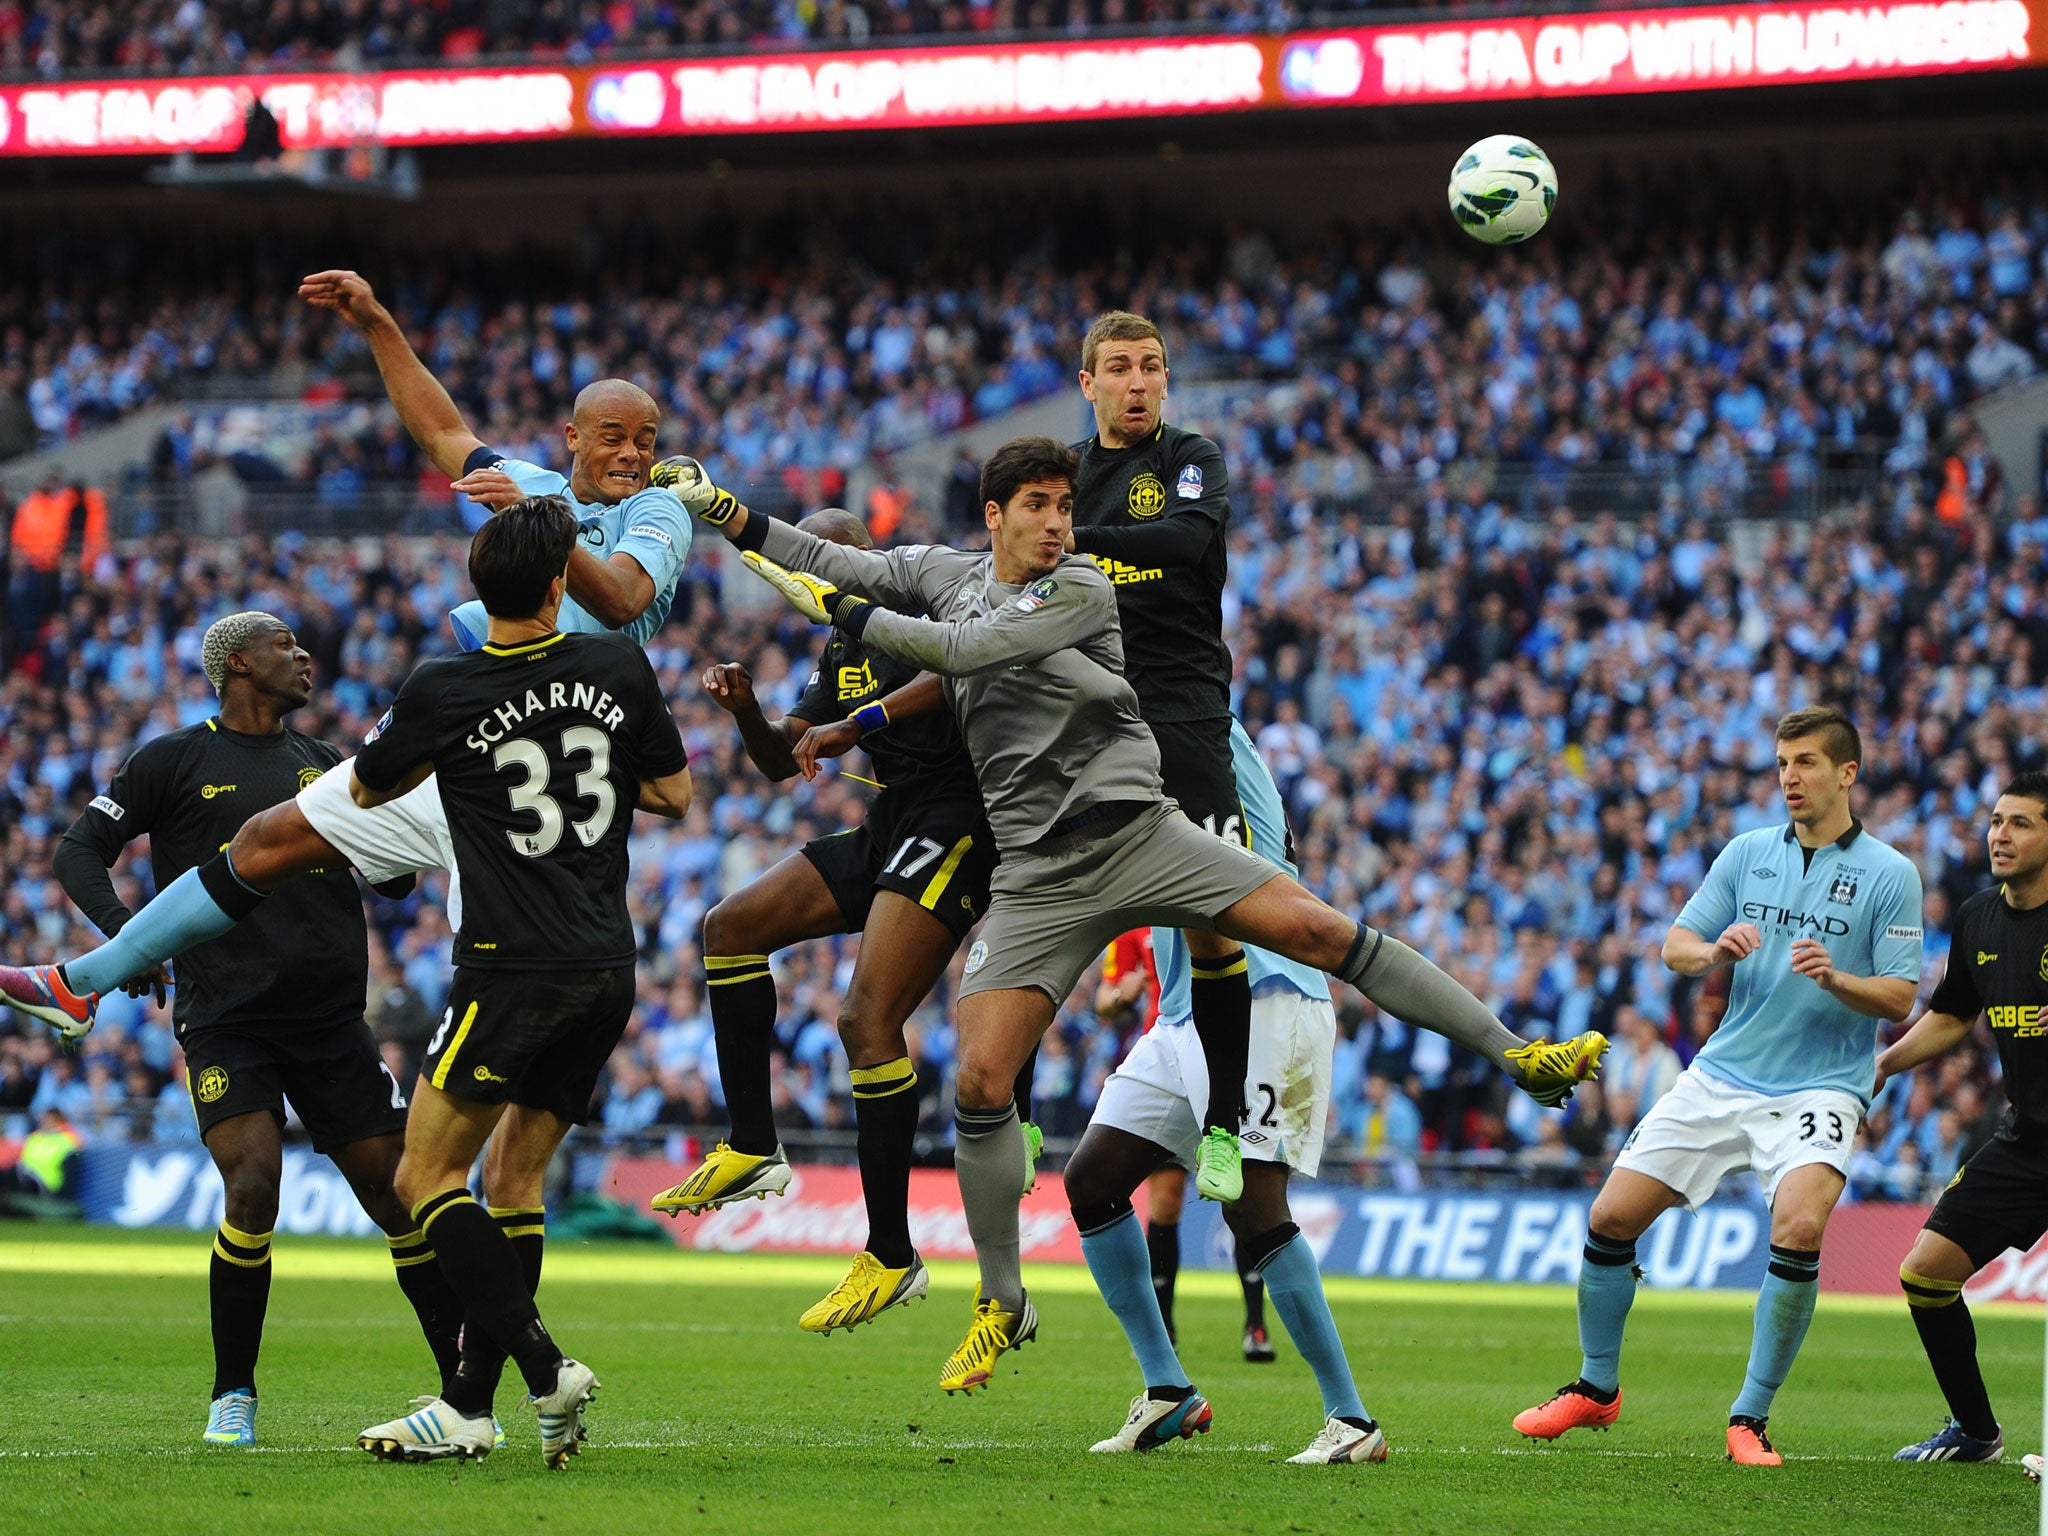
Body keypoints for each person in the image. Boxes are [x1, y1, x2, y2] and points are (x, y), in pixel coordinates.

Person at [672, 437, 1605, 1395]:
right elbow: (830, 555)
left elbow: (960, 650)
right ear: (994, 514)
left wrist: (837, 609)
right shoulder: (939, 573)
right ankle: (1002, 1299)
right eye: (1036, 505)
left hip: (1142, 834)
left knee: (1321, 932)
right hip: (1039, 872)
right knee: (982, 1081)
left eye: (1066, 507)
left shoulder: (1080, 591)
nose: (1057, 524)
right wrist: (724, 512)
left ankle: (1515, 1052)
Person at [0, 269, 691, 1042]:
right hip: (472, 718)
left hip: (542, 759)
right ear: (573, 437)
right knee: (265, 839)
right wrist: (376, 325)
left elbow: (624, 601)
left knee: (500, 997)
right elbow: (440, 430)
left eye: (647, 440)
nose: (634, 454)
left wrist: (540, 517)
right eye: (615, 437)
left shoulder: (657, 508)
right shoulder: (527, 481)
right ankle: (80, 983)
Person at [51, 610, 463, 1449]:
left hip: (331, 1020)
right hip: (227, 1016)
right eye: (285, 645)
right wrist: (126, 938)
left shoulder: (324, 764)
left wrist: (401, 835)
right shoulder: (173, 759)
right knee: (252, 1184)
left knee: (398, 1197)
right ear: (239, 664)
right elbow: (77, 850)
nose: (305, 654)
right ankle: (231, 1396)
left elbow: (391, 886)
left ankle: (459, 1388)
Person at [349, 497, 693, 1465]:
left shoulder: (443, 683)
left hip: (509, 966)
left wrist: (480, 756)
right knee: (515, 1180)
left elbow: (372, 787)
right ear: (557, 588)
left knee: (424, 1176)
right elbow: (672, 794)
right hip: (604, 964)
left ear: (476, 588)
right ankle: (467, 1404)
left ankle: (543, 1368)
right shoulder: (616, 663)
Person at [1512, 707, 1923, 1465]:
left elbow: (1900, 998)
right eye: (1781, 763)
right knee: (1610, 1217)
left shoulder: (1890, 874)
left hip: (1822, 1086)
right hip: (1722, 1072)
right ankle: (1597, 1389)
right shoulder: (1747, 853)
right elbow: (1675, 944)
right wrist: (1711, 954)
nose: (1789, 778)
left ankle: (1750, 1417)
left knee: (1798, 1229)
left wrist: (1839, 979)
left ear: (1847, 773)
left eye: (1804, 762)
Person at [645, 507, 1000, 1337]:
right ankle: (752, 1144)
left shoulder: (922, 614)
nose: (820, 571)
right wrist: (744, 710)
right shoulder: (840, 650)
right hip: (891, 828)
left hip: (957, 825)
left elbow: (952, 675)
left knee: (865, 1018)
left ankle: (889, 1254)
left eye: (836, 555)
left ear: (872, 559)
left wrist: (858, 724)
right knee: (729, 927)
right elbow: (781, 759)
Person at [1068, 721, 1383, 1464]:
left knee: (1253, 1202)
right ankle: (1169, 1389)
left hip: (1269, 996)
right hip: (1184, 1011)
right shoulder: (1145, 738)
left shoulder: (1210, 735)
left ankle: (1352, 1419)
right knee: (1093, 1180)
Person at [1067, 311, 1256, 1201]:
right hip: (1083, 717)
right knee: (1040, 905)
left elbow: (1184, 546)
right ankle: (1020, 1111)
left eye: (1150, 367)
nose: (1137, 381)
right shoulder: (1060, 477)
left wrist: (1079, 548)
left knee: (1213, 922)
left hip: (1182, 713)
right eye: (1119, 367)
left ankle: (1223, 1128)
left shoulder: (1191, 458)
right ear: (1089, 384)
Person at [1879, 772, 2048, 1465]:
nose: (2001, 835)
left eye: (2022, 824)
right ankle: (1977, 1433)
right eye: (1997, 821)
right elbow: (1952, 1015)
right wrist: (1881, 1067)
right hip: (2028, 1141)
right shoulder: (1979, 917)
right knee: (1926, 1271)